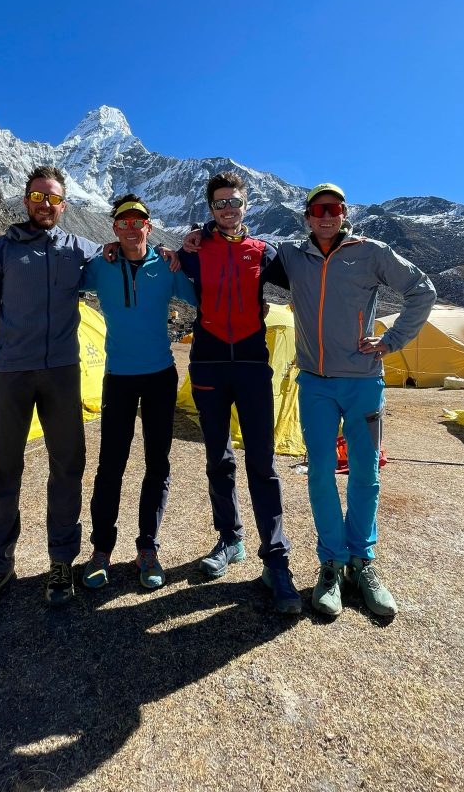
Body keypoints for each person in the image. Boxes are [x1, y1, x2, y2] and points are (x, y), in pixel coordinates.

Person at [267, 182, 436, 619]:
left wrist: (392, 340)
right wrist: (192, 241)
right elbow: (242, 247)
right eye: (318, 209)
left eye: (334, 208)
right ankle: (331, 564)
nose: (326, 215)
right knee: (320, 473)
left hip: (363, 382)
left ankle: (362, 563)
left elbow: (423, 290)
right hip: (316, 383)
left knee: (365, 471)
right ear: (307, 216)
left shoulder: (371, 251)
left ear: (344, 214)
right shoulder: (292, 255)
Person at [0, 165, 100, 620]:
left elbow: (126, 252)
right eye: (38, 197)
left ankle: (61, 563)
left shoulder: (79, 250)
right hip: (10, 373)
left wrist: (177, 250)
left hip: (61, 372)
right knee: (2, 470)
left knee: (68, 466)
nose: (45, 205)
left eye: (54, 199)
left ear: (64, 205)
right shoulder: (0, 250)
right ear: (26, 200)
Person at [177, 172, 302, 615]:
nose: (228, 209)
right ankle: (230, 539)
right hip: (208, 364)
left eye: (234, 202)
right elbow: (158, 261)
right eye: (219, 204)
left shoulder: (264, 253)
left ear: (246, 205)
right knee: (219, 458)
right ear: (210, 208)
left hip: (251, 364)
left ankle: (276, 558)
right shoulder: (194, 250)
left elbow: (308, 281)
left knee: (262, 463)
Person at [79, 194, 197, 591]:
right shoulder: (101, 265)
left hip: (160, 375)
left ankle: (148, 547)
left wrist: (187, 254)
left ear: (149, 226)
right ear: (115, 228)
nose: (131, 227)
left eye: (138, 221)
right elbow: (65, 279)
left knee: (157, 464)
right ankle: (101, 551)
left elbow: (198, 294)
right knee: (110, 465)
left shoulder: (165, 266)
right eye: (123, 222)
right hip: (118, 377)